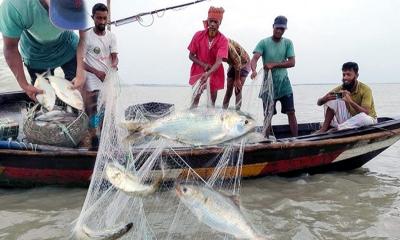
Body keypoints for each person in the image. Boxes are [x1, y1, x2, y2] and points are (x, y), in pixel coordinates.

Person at [0, 0, 87, 101]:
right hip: (36, 55)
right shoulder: (14, 5)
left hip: (68, 46)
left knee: (79, 93)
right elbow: (11, 48)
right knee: (44, 99)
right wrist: (24, 84)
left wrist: (81, 72)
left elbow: (85, 38)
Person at [250, 15, 298, 137]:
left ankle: (296, 139)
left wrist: (274, 65)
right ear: (273, 27)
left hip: (284, 84)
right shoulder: (264, 42)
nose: (279, 31)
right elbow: (255, 58)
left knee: (291, 112)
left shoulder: (288, 43)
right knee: (268, 114)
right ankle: (266, 140)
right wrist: (254, 70)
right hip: (268, 85)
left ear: (284, 30)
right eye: (277, 28)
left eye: (282, 29)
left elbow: (292, 62)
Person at [82, 3, 118, 148]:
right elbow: (81, 62)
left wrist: (114, 64)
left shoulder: (111, 36)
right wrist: (96, 72)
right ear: (93, 18)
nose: (102, 22)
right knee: (93, 111)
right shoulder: (86, 37)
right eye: (99, 18)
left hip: (107, 80)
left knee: (107, 111)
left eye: (104, 18)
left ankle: (105, 139)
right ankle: (93, 138)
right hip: (92, 81)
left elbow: (115, 56)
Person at [316, 62, 377, 133]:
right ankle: (324, 129)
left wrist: (350, 101)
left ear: (356, 75)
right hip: (349, 120)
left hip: (367, 119)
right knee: (332, 99)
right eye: (344, 75)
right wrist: (324, 98)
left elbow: (366, 113)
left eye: (348, 75)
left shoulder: (365, 89)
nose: (345, 78)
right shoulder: (341, 88)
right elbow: (319, 103)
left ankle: (337, 129)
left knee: (364, 119)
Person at [187, 6, 229, 108]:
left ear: (220, 23)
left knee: (212, 102)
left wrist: (209, 73)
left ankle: (209, 119)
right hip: (198, 70)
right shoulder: (198, 35)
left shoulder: (223, 40)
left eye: (216, 22)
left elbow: (219, 61)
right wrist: (203, 64)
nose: (213, 24)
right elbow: (191, 56)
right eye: (211, 21)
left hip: (215, 71)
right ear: (208, 21)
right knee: (195, 99)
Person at [222, 39, 251, 110]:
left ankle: (237, 112)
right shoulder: (214, 45)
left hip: (244, 62)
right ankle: (223, 111)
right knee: (229, 89)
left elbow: (238, 62)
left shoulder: (227, 45)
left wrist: (237, 79)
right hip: (233, 64)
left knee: (237, 89)